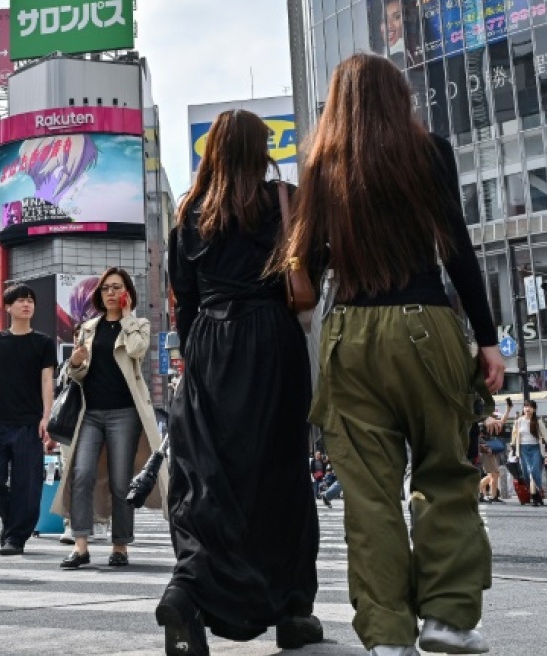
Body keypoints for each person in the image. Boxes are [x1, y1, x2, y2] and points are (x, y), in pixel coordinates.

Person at [283, 54, 505, 656]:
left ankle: (387, 638)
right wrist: (487, 339)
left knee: (369, 496)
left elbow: (309, 260)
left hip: (349, 333)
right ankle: (446, 617)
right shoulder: (429, 151)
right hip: (425, 324)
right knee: (444, 472)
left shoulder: (322, 165)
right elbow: (458, 251)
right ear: (397, 96)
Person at [163, 109, 323, 655]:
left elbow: (181, 298)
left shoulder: (189, 212)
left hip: (209, 343)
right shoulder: (284, 201)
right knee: (282, 474)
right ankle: (292, 607)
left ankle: (188, 593)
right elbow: (314, 273)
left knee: (208, 478)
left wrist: (199, 351)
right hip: (274, 342)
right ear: (262, 149)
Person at [53, 268, 165, 570]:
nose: (111, 293)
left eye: (117, 287)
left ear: (127, 292)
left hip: (125, 414)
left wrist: (127, 318)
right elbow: (77, 374)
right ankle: (80, 545)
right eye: (106, 289)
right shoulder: (88, 327)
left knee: (120, 482)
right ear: (99, 294)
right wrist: (75, 363)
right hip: (89, 413)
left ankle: (120, 546)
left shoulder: (139, 324)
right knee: (81, 474)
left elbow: (136, 351)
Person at [0, 283, 57, 557]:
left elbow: (46, 382)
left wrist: (46, 417)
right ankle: (12, 519)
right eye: (19, 300)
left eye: (30, 300)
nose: (26, 304)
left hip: (30, 424)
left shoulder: (43, 342)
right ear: (8, 307)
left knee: (27, 486)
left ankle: (16, 538)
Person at [510, 400, 547, 506]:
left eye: (530, 407)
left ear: (534, 409)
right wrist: (513, 450)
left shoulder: (538, 421)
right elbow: (514, 436)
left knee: (534, 471)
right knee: (526, 473)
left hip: (535, 448)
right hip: (522, 449)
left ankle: (535, 496)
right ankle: (537, 495)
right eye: (526, 406)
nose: (528, 409)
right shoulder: (518, 421)